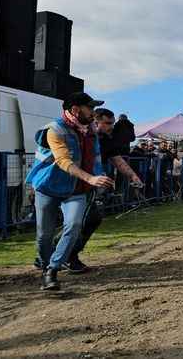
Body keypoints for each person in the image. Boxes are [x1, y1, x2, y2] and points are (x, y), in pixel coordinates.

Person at [26, 92, 115, 291]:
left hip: (76, 189)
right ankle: (45, 263)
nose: (93, 112)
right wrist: (90, 178)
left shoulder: (90, 132)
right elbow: (63, 160)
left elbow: (96, 159)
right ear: (75, 109)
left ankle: (52, 270)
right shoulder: (54, 129)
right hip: (48, 187)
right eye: (90, 108)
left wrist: (100, 179)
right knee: (44, 235)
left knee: (74, 225)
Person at [57, 108, 144, 273]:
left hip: (89, 185)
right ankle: (63, 255)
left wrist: (133, 176)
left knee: (88, 219)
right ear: (96, 122)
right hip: (72, 183)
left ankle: (62, 254)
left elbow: (117, 160)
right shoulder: (81, 134)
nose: (112, 126)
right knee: (81, 220)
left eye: (112, 123)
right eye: (108, 123)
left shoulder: (106, 139)